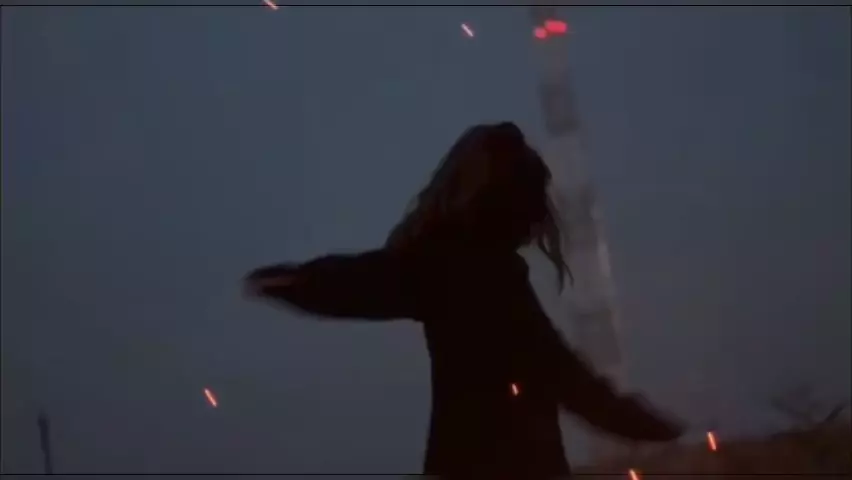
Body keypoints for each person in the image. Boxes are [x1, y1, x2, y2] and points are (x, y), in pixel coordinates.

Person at [243, 122, 683, 477]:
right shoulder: (474, 271)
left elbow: (365, 280)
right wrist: (641, 423)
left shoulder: (446, 262)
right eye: (533, 202)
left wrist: (297, 281)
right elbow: (563, 375)